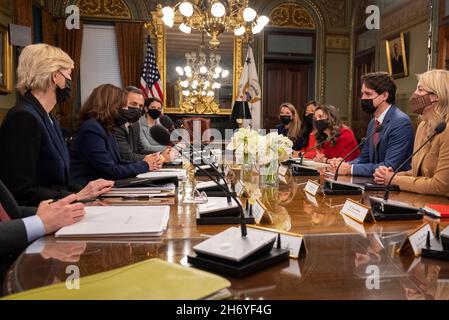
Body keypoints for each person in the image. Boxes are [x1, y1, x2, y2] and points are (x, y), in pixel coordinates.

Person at [0, 44, 113, 207]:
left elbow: (62, 179)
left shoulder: (48, 116)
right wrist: (77, 196)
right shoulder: (23, 117)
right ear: (54, 76)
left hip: (61, 209)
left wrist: (91, 194)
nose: (69, 80)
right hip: (41, 217)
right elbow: (20, 191)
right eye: (68, 74)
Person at [69, 84, 164, 186]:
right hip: (87, 191)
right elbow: (110, 171)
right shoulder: (92, 129)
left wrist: (147, 163)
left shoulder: (107, 128)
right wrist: (145, 164)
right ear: (109, 105)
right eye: (123, 106)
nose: (126, 110)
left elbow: (117, 162)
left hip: (105, 186)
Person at [374, 69, 449, 196]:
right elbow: (417, 173)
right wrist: (388, 175)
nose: (414, 94)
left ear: (436, 96)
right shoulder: (423, 126)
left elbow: (440, 186)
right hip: (422, 202)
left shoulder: (446, 130)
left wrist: (394, 179)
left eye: (420, 89)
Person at [328, 72, 414, 177]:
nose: (363, 98)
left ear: (384, 96)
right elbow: (364, 158)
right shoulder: (373, 122)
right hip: (373, 183)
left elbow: (389, 166)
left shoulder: (401, 122)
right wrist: (342, 165)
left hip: (394, 187)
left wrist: (350, 169)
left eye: (368, 94)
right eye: (362, 94)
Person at [113, 86, 150, 162]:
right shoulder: (115, 125)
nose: (137, 109)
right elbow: (126, 156)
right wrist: (159, 158)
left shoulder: (135, 123)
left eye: (140, 106)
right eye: (133, 104)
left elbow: (140, 150)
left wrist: (160, 154)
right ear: (121, 103)